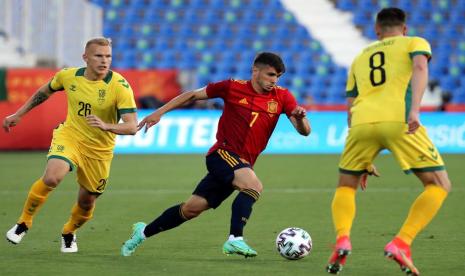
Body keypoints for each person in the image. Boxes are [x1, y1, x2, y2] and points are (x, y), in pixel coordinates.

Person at [121, 52, 311, 257]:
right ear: (255, 71)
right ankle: (235, 239)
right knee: (253, 186)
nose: (274, 81)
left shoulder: (282, 96)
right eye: (271, 75)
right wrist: (159, 112)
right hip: (222, 154)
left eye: (278, 76)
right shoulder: (232, 87)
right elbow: (192, 94)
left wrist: (300, 118)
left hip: (242, 164)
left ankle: (141, 232)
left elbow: (305, 131)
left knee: (191, 209)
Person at [326, 8, 451, 276]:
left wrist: (365, 158)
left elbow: (350, 106)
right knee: (439, 184)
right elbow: (419, 66)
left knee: (346, 186)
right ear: (404, 29)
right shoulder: (415, 42)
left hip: (360, 124)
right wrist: (415, 109)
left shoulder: (360, 57)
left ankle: (342, 239)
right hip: (400, 121)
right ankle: (401, 243)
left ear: (377, 31)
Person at [3, 37, 138, 253]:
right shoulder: (69, 76)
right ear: (85, 57)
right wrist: (19, 114)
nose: (104, 61)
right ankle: (23, 223)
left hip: (99, 150)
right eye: (98, 56)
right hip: (71, 136)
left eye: (108, 56)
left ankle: (68, 232)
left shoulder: (119, 86)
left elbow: (132, 127)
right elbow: (44, 92)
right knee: (52, 176)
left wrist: (106, 125)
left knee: (87, 202)